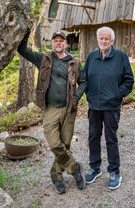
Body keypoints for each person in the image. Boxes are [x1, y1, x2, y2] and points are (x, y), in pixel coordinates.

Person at [17, 29, 87, 194]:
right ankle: (75, 168)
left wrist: (76, 97)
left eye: (61, 40)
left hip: (69, 109)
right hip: (50, 108)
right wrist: (27, 31)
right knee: (55, 144)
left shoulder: (74, 62)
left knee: (66, 144)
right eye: (55, 40)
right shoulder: (44, 59)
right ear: (52, 43)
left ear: (66, 43)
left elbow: (83, 82)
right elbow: (22, 50)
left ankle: (56, 177)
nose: (58, 43)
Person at [83, 26, 134, 190]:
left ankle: (114, 171)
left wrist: (117, 95)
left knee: (111, 139)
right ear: (98, 40)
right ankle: (95, 168)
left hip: (111, 107)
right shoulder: (91, 57)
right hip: (94, 106)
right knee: (93, 137)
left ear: (112, 41)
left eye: (107, 39)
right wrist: (87, 96)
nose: (104, 41)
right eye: (101, 38)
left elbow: (129, 80)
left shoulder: (120, 57)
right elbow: (84, 79)